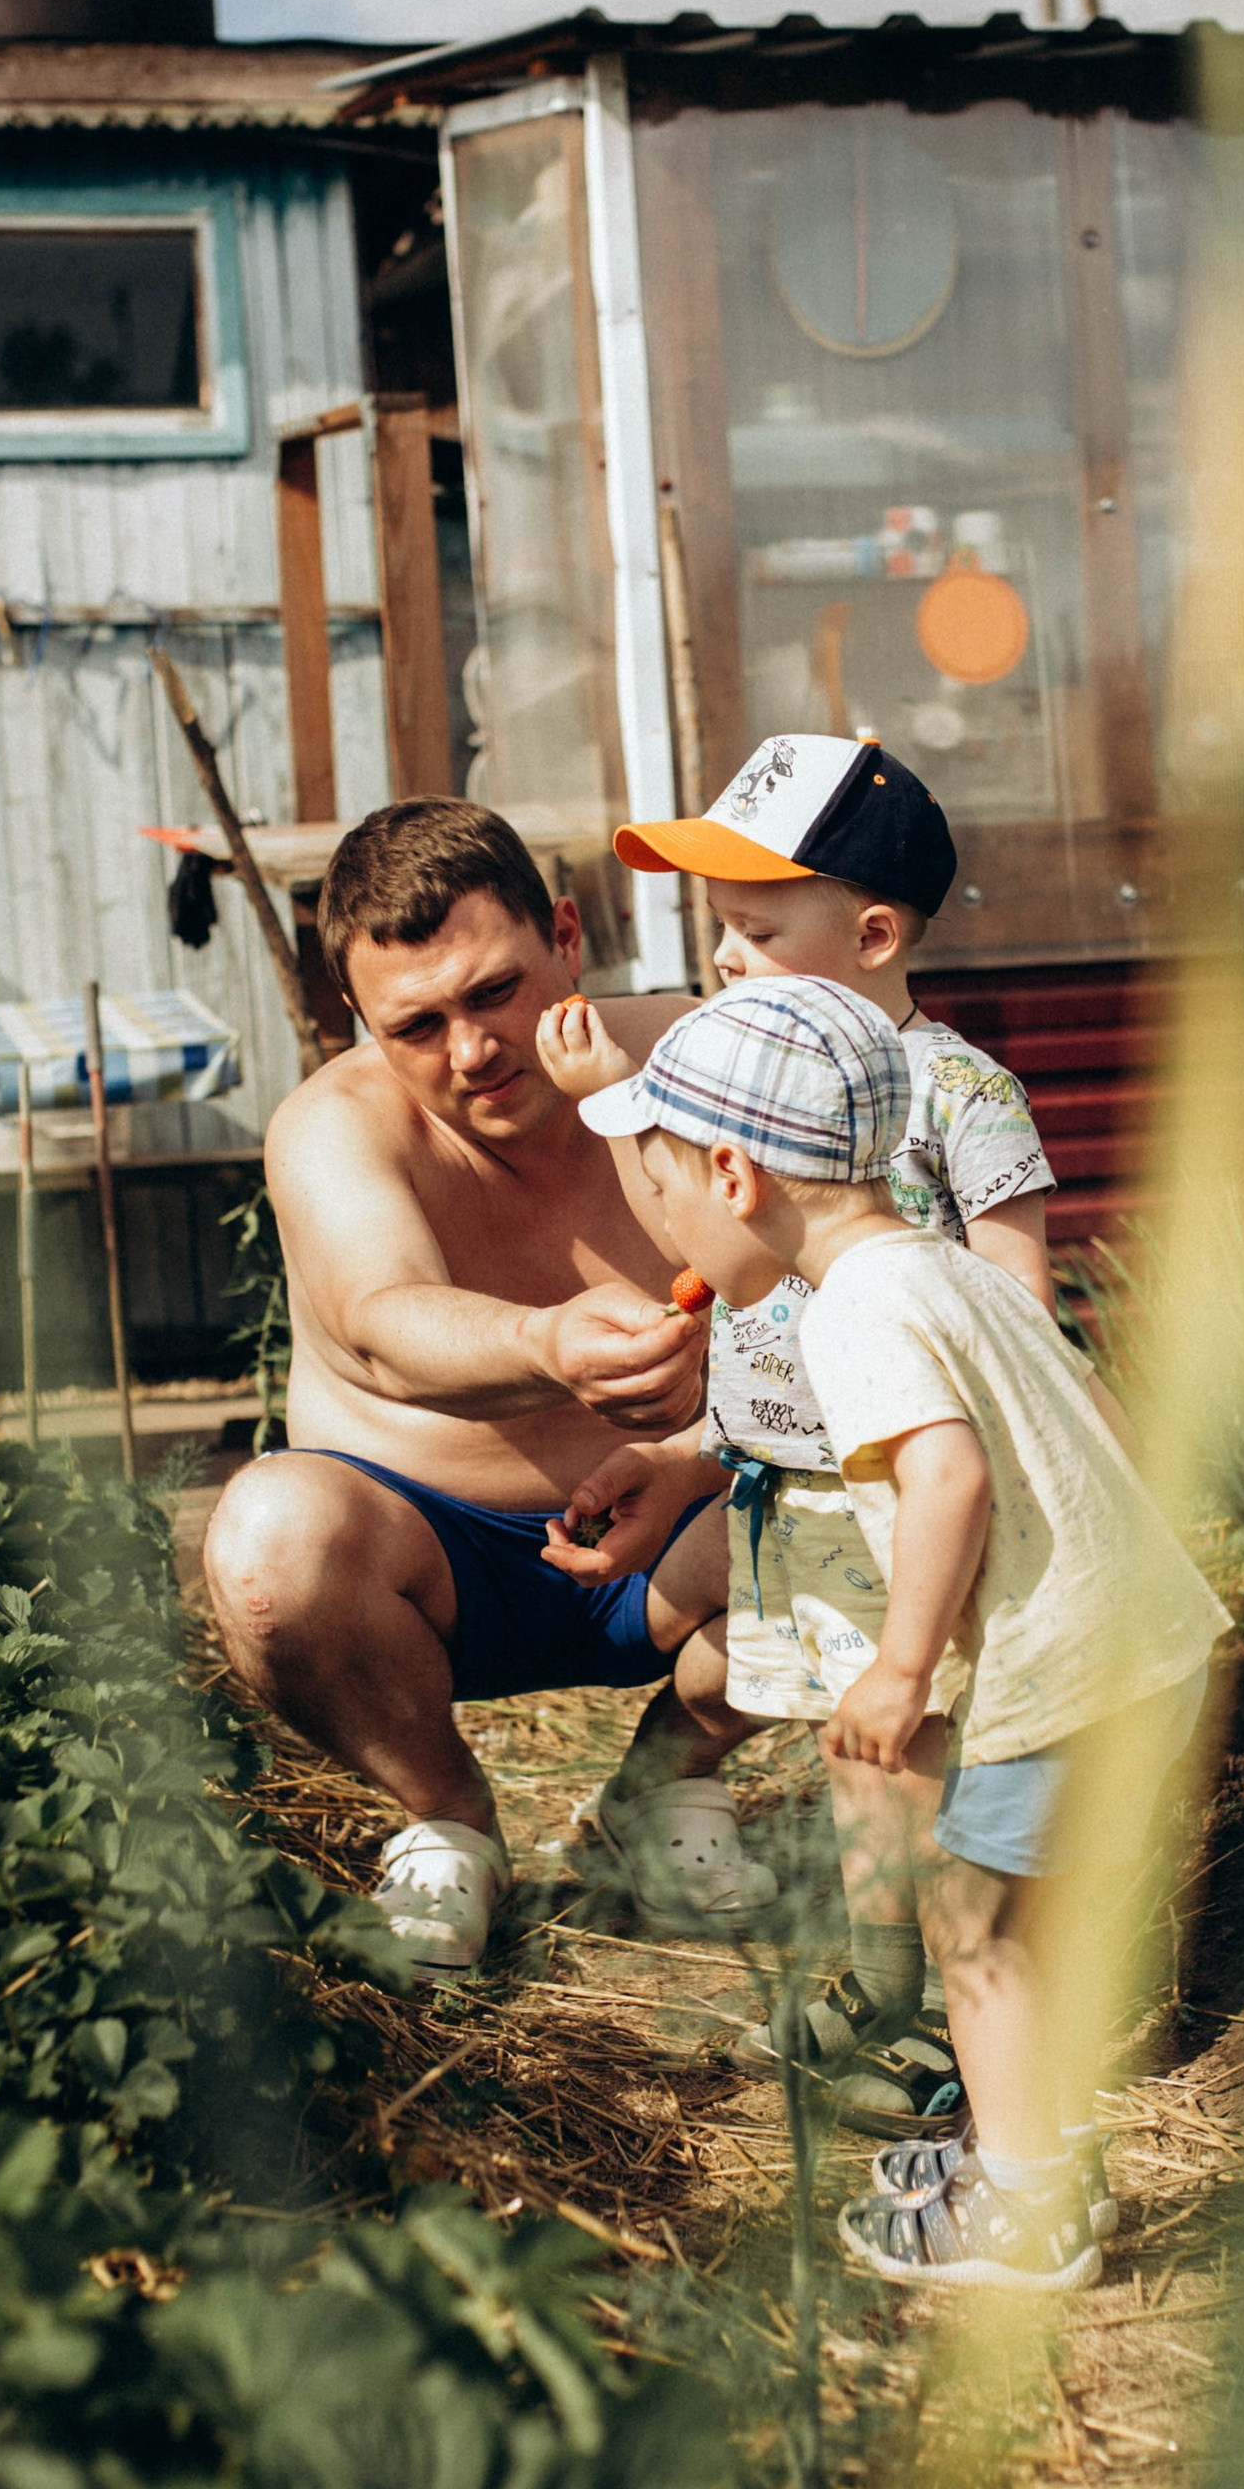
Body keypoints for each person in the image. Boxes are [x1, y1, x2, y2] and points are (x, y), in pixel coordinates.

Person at [574, 973, 1228, 2291]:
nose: (663, 1227)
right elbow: (1089, 1413)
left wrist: (900, 1664)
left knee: (974, 1936)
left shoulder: (856, 1311)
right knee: (1023, 1935)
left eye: (660, 1190)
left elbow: (950, 1479)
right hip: (1136, 1650)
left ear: (734, 1176)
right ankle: (1032, 2157)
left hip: (1063, 1676)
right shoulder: (947, 1270)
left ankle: (1028, 2215)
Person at [538, 730, 1075, 2137]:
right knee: (843, 1748)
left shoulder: (957, 1094)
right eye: (719, 925)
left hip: (906, 1496)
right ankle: (885, 1978)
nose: (724, 955)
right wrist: (685, 1455)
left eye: (758, 928)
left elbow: (1016, 1305)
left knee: (911, 1757)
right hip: (788, 1492)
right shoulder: (740, 1080)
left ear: (875, 934)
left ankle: (940, 2008)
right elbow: (716, 1267)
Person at [201, 799, 762, 1976]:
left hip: (689, 1536)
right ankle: (449, 1819)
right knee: (269, 1540)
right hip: (435, 1566)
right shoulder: (329, 1126)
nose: (471, 1051)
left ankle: (663, 1785)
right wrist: (547, 1341)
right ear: (357, 1019)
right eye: (416, 1025)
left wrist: (695, 1451)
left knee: (900, 1483)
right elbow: (379, 1322)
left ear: (566, 936)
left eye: (495, 992)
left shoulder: (699, 1056)